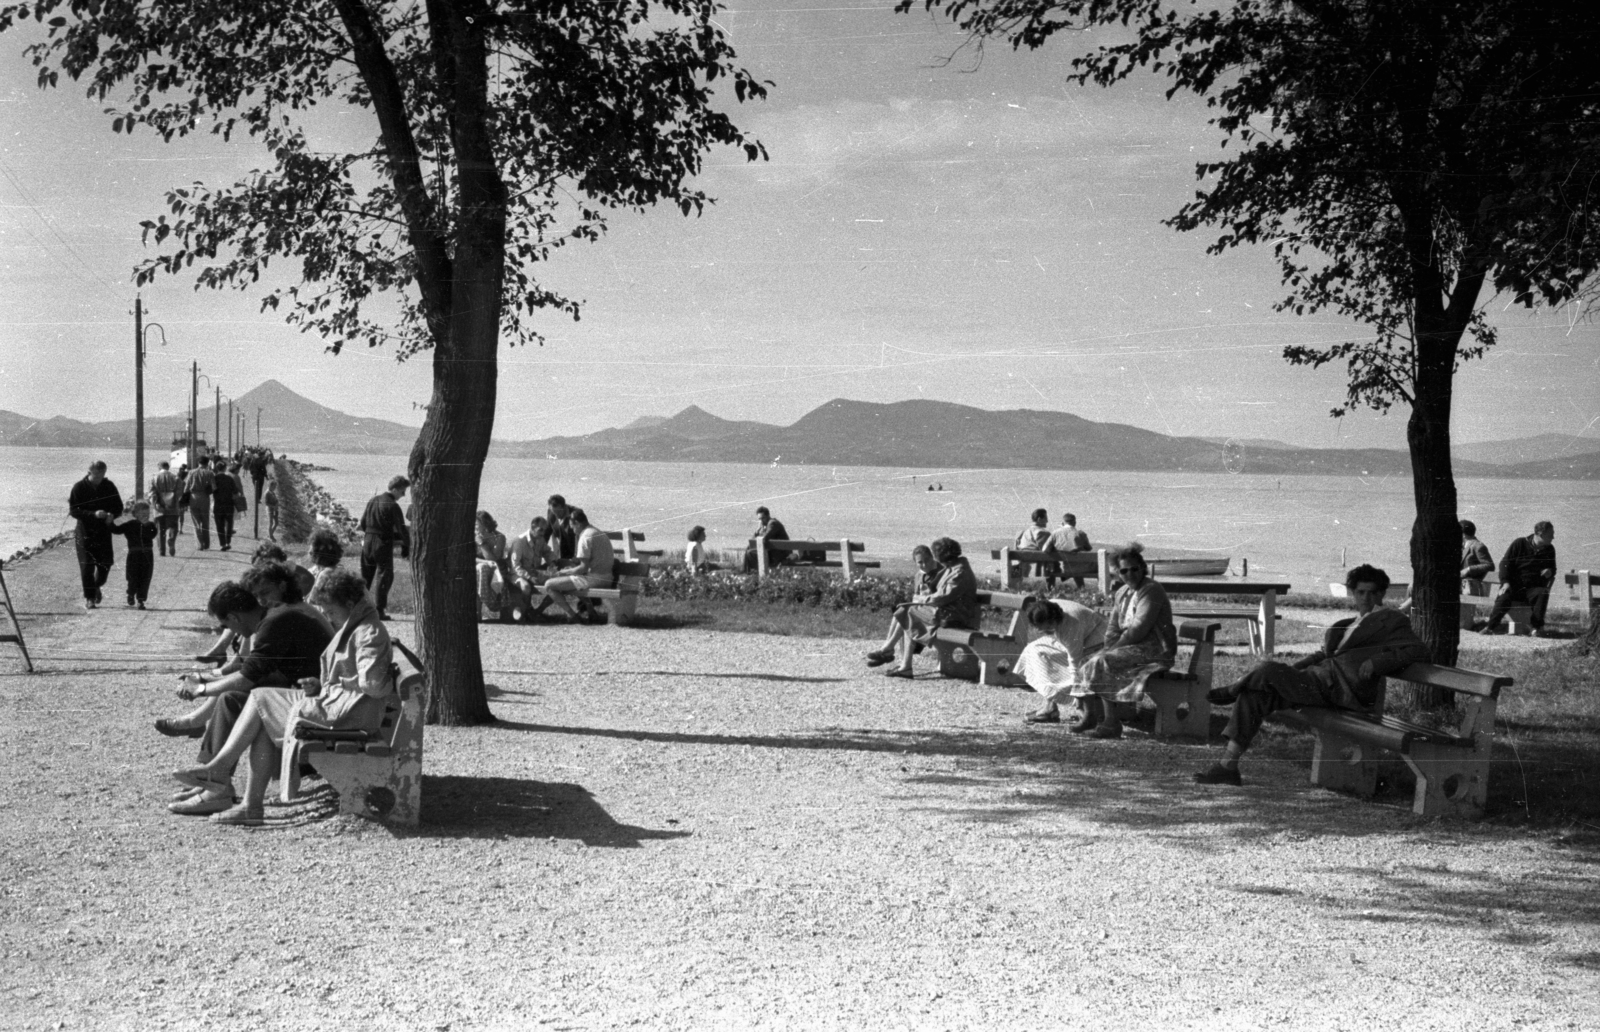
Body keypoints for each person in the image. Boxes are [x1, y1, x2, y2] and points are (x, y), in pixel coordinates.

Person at [173, 569, 392, 826]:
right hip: (341, 706)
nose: (328, 616)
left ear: (348, 604)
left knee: (258, 699)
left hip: (351, 715)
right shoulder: (357, 626)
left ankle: (219, 770)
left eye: (330, 611)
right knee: (262, 711)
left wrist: (334, 686)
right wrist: (322, 684)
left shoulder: (368, 632)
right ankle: (250, 806)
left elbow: (373, 685)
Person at [1195, 564, 1428, 786]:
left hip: (1341, 691)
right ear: (1353, 593)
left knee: (1267, 669)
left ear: (1382, 593)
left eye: (1372, 593)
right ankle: (1227, 766)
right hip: (1319, 682)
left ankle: (1232, 690)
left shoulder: (1392, 620)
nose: (1366, 598)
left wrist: (1378, 661)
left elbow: (1418, 650)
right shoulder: (1349, 623)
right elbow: (1323, 655)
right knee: (1255, 693)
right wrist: (1292, 671)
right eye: (1360, 592)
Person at [163, 581, 334, 816]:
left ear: (234, 617)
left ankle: (216, 785)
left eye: (225, 624)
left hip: (317, 698)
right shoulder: (274, 617)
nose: (228, 629)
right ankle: (213, 782)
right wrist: (207, 683)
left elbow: (245, 678)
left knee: (233, 699)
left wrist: (201, 688)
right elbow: (250, 671)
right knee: (230, 699)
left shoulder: (273, 623)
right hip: (307, 691)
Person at [1068, 544, 1176, 739]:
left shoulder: (1151, 590)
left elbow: (1138, 630)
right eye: (1124, 570)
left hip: (1154, 649)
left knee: (1103, 661)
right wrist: (1107, 646)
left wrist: (1109, 651)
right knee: (1087, 659)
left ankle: (1111, 723)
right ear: (1118, 573)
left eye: (1134, 569)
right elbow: (1113, 628)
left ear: (1142, 568)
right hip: (1132, 647)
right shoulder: (1122, 593)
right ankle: (1089, 715)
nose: (1130, 574)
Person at [872, 537, 980, 679]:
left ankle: (892, 652)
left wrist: (921, 599)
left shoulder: (959, 572)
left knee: (908, 612)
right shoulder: (953, 568)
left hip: (957, 617)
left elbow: (942, 597)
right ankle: (900, 661)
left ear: (940, 557)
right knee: (907, 612)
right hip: (948, 613)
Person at [1015, 597, 1109, 724]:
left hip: (1097, 642)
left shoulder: (1070, 625)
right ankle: (1049, 707)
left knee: (1065, 666)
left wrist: (1079, 702)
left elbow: (1075, 663)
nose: (1042, 631)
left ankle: (1083, 709)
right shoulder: (1048, 607)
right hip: (1075, 638)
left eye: (1046, 627)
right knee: (1034, 650)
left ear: (1052, 621)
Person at [864, 545, 943, 667]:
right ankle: (888, 648)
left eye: (927, 560)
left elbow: (939, 598)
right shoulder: (919, 575)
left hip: (936, 614)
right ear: (916, 563)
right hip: (922, 611)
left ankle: (888, 649)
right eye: (920, 562)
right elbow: (915, 597)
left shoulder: (941, 572)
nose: (924, 564)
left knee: (906, 613)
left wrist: (922, 599)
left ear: (932, 557)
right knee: (900, 612)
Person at [1480, 520, 1557, 636]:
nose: (1553, 537)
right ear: (1541, 535)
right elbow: (1504, 564)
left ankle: (1536, 628)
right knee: (1504, 595)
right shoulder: (1519, 543)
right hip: (1514, 586)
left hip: (1533, 588)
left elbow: (1553, 568)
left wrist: (1550, 571)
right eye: (1550, 535)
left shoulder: (1550, 549)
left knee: (1542, 593)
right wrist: (1505, 582)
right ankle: (1490, 627)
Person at [538, 508, 615, 622]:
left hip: (594, 579)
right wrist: (572, 570)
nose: (573, 530)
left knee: (549, 584)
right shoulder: (597, 532)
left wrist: (562, 572)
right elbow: (587, 565)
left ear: (577, 524)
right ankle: (591, 612)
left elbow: (583, 568)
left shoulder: (585, 537)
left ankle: (572, 616)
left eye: (572, 527)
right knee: (571, 579)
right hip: (607, 577)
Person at [67, 460, 123, 610]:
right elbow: (74, 511)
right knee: (87, 567)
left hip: (103, 531)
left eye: (102, 474)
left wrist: (112, 515)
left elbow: (119, 507)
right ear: (89, 472)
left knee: (106, 563)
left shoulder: (109, 486)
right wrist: (93, 514)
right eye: (96, 474)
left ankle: (96, 586)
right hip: (84, 531)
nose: (99, 477)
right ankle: (89, 598)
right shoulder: (79, 487)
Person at [357, 475, 411, 620]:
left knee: (365, 576)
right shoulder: (393, 506)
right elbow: (401, 529)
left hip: (368, 540)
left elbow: (363, 523)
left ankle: (359, 608)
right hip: (383, 542)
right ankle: (379, 609)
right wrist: (408, 544)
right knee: (384, 576)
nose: (403, 495)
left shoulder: (373, 500)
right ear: (394, 489)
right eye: (402, 491)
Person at [113, 500, 160, 609]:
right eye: (143, 515)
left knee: (145, 577)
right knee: (132, 577)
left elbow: (153, 534)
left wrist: (147, 526)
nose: (146, 517)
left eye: (147, 515)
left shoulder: (151, 525)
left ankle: (141, 600)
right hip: (134, 555)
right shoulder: (130, 524)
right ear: (136, 515)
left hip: (147, 555)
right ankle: (130, 593)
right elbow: (116, 530)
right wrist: (110, 521)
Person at [508, 516, 555, 612]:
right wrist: (529, 577)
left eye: (544, 530)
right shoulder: (519, 541)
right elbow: (515, 567)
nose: (543, 533)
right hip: (517, 574)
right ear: (533, 527)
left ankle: (538, 611)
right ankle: (526, 611)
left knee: (556, 584)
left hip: (534, 572)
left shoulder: (540, 539)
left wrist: (552, 563)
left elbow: (547, 552)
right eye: (540, 530)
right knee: (526, 587)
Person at [251, 542, 317, 598]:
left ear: (281, 562)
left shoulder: (302, 577)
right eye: (258, 569)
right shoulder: (257, 583)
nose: (265, 571)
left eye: (270, 565)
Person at [1045, 513, 1092, 590]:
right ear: (1075, 523)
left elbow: (1045, 550)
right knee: (1080, 565)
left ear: (1062, 523)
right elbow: (1088, 548)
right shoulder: (1081, 533)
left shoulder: (1055, 533)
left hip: (1064, 568)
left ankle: (1050, 589)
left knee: (1074, 565)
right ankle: (1082, 589)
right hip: (1080, 568)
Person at [148, 459, 184, 557]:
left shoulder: (154, 478)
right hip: (173, 507)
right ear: (168, 467)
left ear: (159, 467)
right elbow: (179, 493)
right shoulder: (176, 478)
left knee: (160, 530)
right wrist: (173, 500)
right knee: (173, 526)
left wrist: (155, 504)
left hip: (159, 508)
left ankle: (162, 551)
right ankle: (171, 539)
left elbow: (152, 494)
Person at [742, 506, 791, 572]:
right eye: (759, 519)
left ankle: (755, 571)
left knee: (750, 553)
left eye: (763, 518)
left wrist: (761, 531)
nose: (761, 521)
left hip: (779, 554)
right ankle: (747, 571)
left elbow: (765, 538)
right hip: (774, 552)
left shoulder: (772, 524)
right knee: (748, 549)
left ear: (768, 515)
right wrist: (756, 532)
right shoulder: (767, 524)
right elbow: (753, 542)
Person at [1011, 508, 1052, 584]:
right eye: (1046, 518)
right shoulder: (1042, 532)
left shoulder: (1025, 531)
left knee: (1023, 564)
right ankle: (1050, 586)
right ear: (1039, 519)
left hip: (1021, 556)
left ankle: (1016, 583)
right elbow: (1046, 549)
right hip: (1034, 557)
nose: (1047, 521)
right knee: (1052, 560)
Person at [184, 456, 216, 550]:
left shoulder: (191, 472)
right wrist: (207, 491)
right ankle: (206, 544)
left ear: (198, 462)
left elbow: (186, 487)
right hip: (204, 498)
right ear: (207, 463)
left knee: (196, 522)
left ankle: (199, 544)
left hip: (193, 497)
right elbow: (214, 487)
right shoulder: (210, 473)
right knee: (205, 521)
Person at [212, 460, 244, 551]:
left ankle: (222, 544)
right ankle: (227, 542)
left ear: (217, 468)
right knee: (229, 524)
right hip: (229, 504)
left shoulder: (214, 479)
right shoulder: (229, 479)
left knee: (219, 525)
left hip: (218, 505)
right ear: (225, 468)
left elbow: (210, 490)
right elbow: (235, 491)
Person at [1459, 520, 1494, 586]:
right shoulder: (1462, 546)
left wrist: (1469, 569)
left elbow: (1489, 565)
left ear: (1463, 534)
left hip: (1472, 587)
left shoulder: (1478, 546)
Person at [546, 494, 578, 563]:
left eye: (559, 512)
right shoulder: (550, 511)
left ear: (563, 507)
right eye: (554, 512)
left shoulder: (576, 513)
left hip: (573, 551)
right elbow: (547, 532)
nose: (557, 515)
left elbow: (580, 535)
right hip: (559, 550)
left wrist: (577, 556)